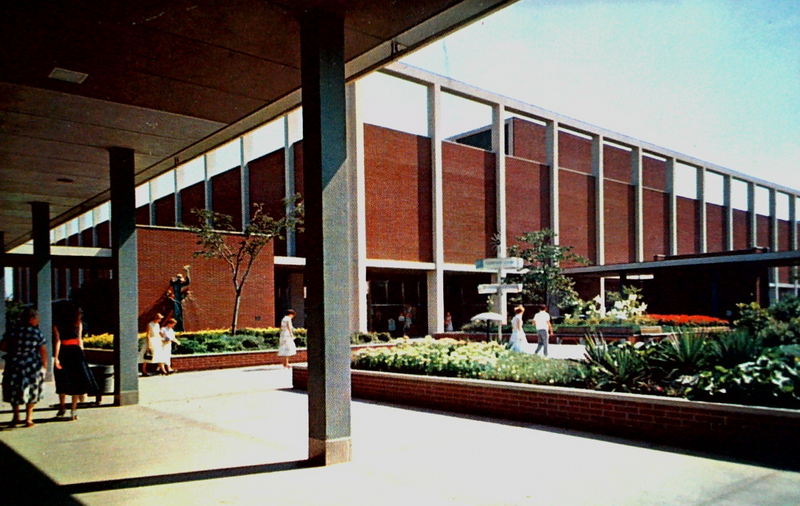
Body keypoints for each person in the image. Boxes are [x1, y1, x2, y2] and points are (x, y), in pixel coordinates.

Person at [1, 308, 48, 428]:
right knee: (33, 389)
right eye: (37, 318)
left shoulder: (12, 331)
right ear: (31, 319)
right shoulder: (36, 333)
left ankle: (16, 416)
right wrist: (44, 366)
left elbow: (3, 346)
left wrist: (14, 350)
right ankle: (29, 418)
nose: (38, 320)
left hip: (14, 363)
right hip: (31, 365)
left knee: (13, 389)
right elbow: (43, 350)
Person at [53, 305, 98, 420]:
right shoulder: (71, 325)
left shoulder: (67, 324)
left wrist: (57, 357)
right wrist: (57, 358)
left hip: (69, 352)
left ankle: (68, 408)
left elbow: (75, 340)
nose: (81, 315)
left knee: (69, 381)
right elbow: (73, 341)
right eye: (79, 313)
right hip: (71, 353)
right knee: (68, 380)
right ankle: (68, 408)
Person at [168, 265, 191, 331]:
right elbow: (172, 282)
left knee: (179, 315)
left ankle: (180, 328)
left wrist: (187, 271)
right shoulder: (175, 283)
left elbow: (188, 281)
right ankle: (177, 328)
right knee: (177, 314)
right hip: (176, 300)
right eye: (179, 278)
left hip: (179, 300)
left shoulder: (180, 284)